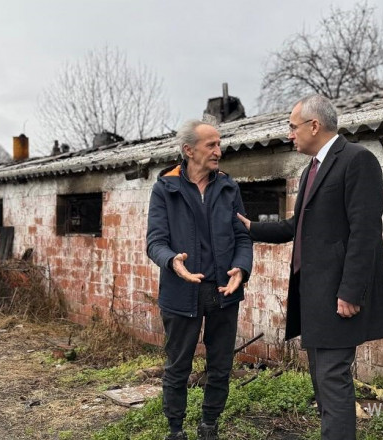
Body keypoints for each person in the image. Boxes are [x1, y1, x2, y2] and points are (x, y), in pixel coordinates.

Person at [236, 95, 383, 440]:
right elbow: (299, 227)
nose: (289, 134)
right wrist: (251, 228)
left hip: (339, 296)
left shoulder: (357, 160)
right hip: (315, 296)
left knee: (332, 378)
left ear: (314, 125)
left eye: (292, 127)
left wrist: (351, 292)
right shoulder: (313, 169)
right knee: (322, 379)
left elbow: (365, 231)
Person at [147, 120, 253, 440]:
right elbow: (155, 241)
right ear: (189, 150)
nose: (219, 151)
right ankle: (175, 429)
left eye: (220, 144)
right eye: (211, 145)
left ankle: (209, 426)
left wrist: (241, 268)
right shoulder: (166, 187)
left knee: (220, 366)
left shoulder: (228, 187)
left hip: (223, 291)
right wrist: (172, 262)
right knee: (178, 365)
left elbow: (243, 238)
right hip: (182, 290)